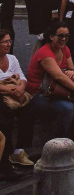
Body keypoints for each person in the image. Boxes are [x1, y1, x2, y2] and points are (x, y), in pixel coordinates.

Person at [25, 21, 74, 158]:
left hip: (58, 92)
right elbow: (58, 76)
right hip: (40, 94)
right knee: (67, 108)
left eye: (66, 36)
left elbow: (71, 71)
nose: (64, 39)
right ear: (51, 36)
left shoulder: (65, 49)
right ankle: (59, 149)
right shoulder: (45, 53)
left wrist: (72, 73)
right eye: (60, 36)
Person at [0, 29, 34, 179]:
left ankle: (19, 150)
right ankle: (5, 160)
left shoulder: (12, 58)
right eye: (5, 42)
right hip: (2, 94)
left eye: (10, 41)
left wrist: (20, 88)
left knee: (30, 109)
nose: (9, 44)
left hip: (15, 92)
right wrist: (8, 90)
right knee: (5, 117)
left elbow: (23, 77)